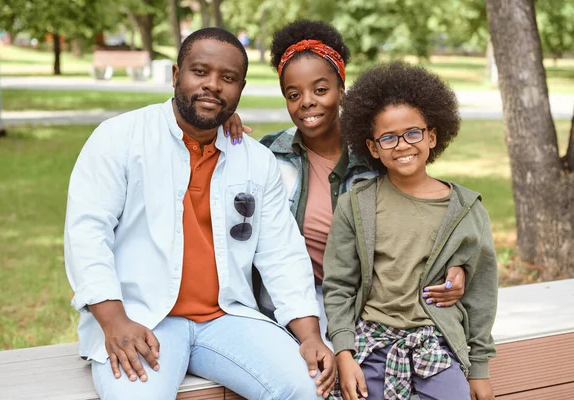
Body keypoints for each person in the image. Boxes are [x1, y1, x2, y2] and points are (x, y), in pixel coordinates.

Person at [64, 27, 335, 400]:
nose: (213, 85)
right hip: (141, 319)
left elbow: (283, 255)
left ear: (240, 88)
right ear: (177, 75)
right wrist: (114, 321)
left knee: (309, 388)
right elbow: (86, 235)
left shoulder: (255, 159)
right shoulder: (120, 138)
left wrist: (309, 337)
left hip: (227, 318)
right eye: (200, 72)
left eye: (228, 78)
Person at [224, 20, 467, 345]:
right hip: (290, 307)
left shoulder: (376, 156)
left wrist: (458, 267)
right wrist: (221, 124)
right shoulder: (269, 155)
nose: (307, 101)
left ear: (342, 89)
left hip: (369, 304)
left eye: (320, 89)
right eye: (293, 94)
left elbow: (426, 210)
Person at [323, 61, 498, 400]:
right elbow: (339, 284)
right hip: (371, 343)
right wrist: (344, 353)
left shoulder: (466, 210)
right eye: (388, 137)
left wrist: (479, 370)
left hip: (433, 343)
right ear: (373, 147)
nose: (402, 145)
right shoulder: (355, 205)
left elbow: (481, 295)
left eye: (413, 133)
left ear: (432, 136)